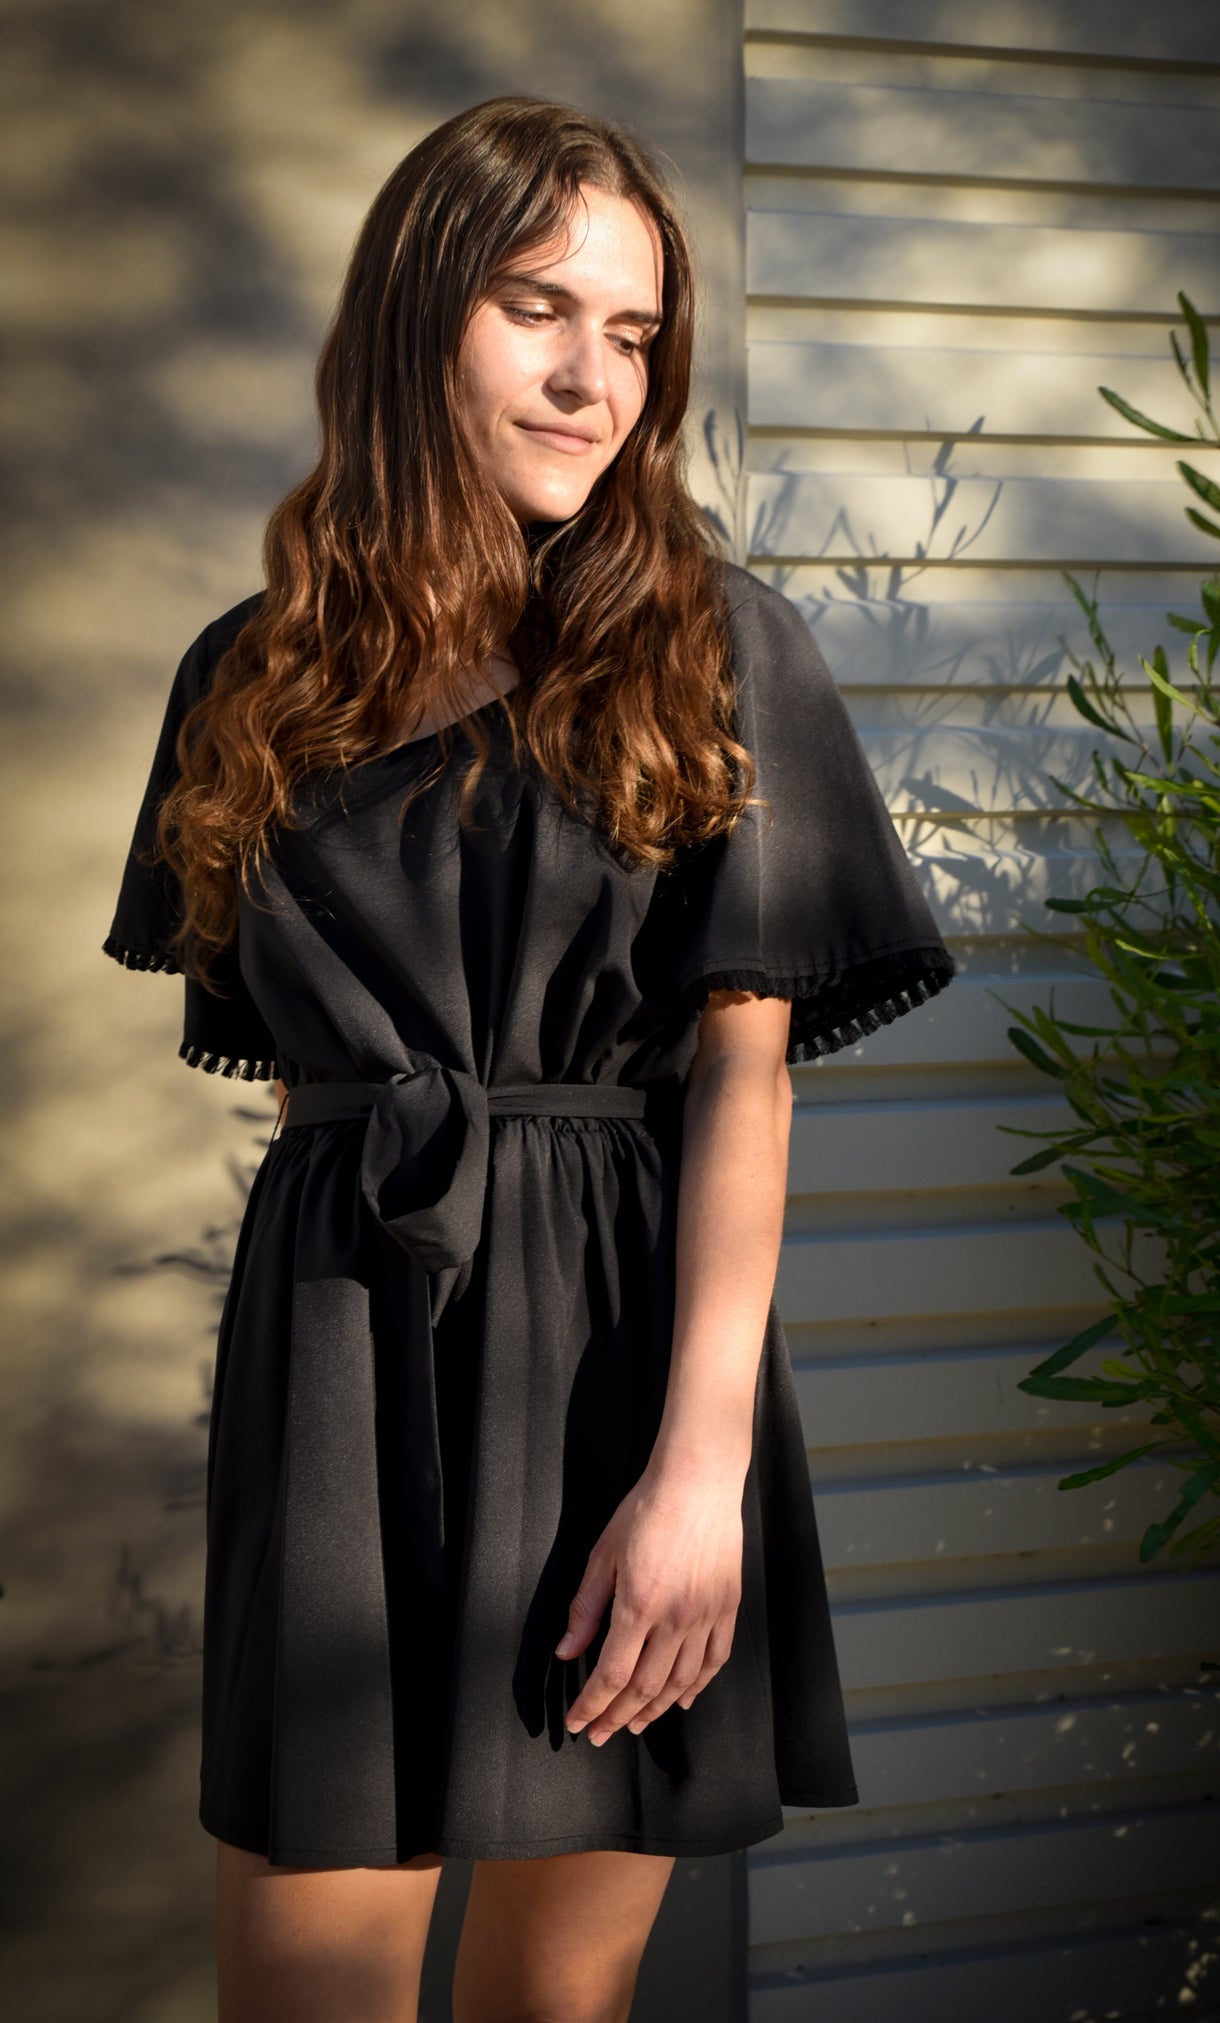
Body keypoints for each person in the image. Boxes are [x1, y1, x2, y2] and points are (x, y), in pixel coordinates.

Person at [101, 95, 954, 2023]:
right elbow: (298, 1067)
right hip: (339, 1350)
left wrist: (698, 1479)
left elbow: (747, 1075)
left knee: (551, 2010)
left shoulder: (719, 648)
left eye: (637, 336)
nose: (593, 380)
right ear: (418, 321)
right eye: (534, 309)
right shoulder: (248, 676)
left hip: (623, 1355)